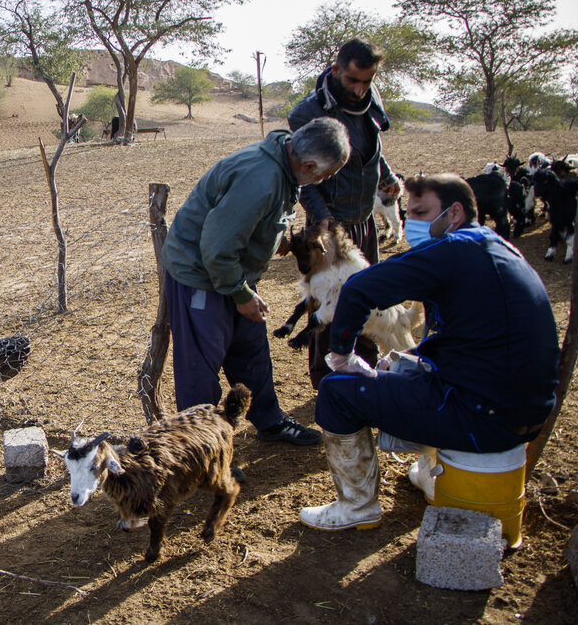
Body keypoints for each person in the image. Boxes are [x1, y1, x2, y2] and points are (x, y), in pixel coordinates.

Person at [299, 173, 559, 531]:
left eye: (421, 212)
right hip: (522, 412)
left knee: (337, 390)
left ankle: (356, 506)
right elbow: (472, 338)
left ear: (454, 213)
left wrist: (342, 356)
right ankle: (429, 471)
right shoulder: (498, 249)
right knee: (408, 365)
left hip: (480, 417)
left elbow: (358, 289)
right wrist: (410, 358)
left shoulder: (454, 249)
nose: (412, 221)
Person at [161, 117, 351, 445]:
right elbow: (217, 249)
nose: (323, 180)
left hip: (235, 273)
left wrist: (270, 239)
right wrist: (240, 292)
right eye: (326, 174)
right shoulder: (260, 178)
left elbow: (252, 223)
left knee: (251, 351)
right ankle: (202, 450)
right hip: (201, 275)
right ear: (309, 165)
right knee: (200, 370)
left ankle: (269, 421)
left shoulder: (283, 165)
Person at [288, 38, 402, 389]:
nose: (360, 88)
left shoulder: (369, 98)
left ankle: (363, 370)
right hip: (330, 225)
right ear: (336, 69)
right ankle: (329, 381)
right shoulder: (307, 113)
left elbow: (371, 148)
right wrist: (323, 221)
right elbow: (304, 176)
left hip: (364, 217)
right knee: (327, 303)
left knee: (365, 296)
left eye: (367, 81)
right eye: (353, 80)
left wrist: (387, 176)